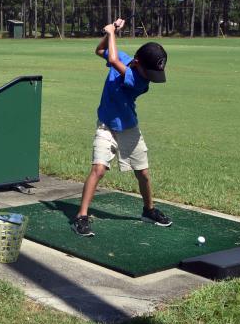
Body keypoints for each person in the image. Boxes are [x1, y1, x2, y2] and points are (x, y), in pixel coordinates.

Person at [72, 18, 172, 237]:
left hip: (129, 128)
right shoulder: (126, 60)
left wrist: (112, 32)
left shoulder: (139, 82)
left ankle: (149, 209)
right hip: (106, 126)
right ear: (137, 62)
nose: (152, 79)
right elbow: (100, 51)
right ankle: (81, 216)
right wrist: (110, 33)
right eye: (150, 72)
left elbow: (114, 57)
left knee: (143, 173)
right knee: (98, 169)